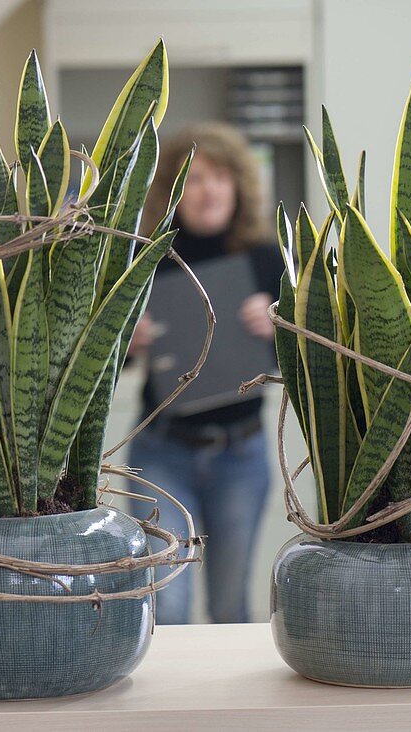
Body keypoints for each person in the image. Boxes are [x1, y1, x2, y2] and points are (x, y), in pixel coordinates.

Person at [126, 122, 281, 624]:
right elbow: (103, 362)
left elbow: (301, 360)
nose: (208, 190)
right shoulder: (146, 258)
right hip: (162, 454)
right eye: (192, 180)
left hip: (242, 452)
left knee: (230, 604)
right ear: (173, 193)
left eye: (219, 176)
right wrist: (125, 340)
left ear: (238, 185)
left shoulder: (266, 258)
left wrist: (280, 325)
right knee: (167, 604)